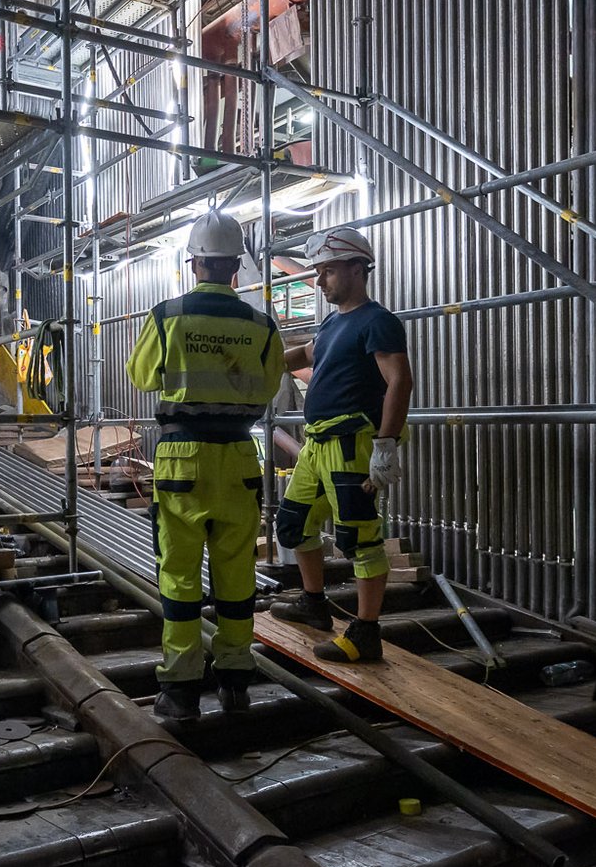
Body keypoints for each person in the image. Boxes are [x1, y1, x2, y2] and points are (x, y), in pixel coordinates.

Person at [125, 211, 286, 722]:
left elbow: (142, 376)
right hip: (240, 455)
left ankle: (180, 690)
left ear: (192, 262)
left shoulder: (167, 315)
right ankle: (236, 681)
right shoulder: (262, 324)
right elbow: (268, 387)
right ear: (236, 265)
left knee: (178, 575)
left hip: (182, 457)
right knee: (237, 574)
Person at [270, 226, 412, 662]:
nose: (319, 281)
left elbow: (400, 381)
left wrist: (385, 444)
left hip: (351, 443)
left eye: (328, 271)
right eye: (318, 272)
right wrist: (255, 361)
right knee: (293, 524)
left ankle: (366, 632)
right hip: (317, 445)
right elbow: (305, 355)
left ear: (357, 268)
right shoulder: (334, 322)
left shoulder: (378, 321)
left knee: (359, 538)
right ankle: (313, 604)